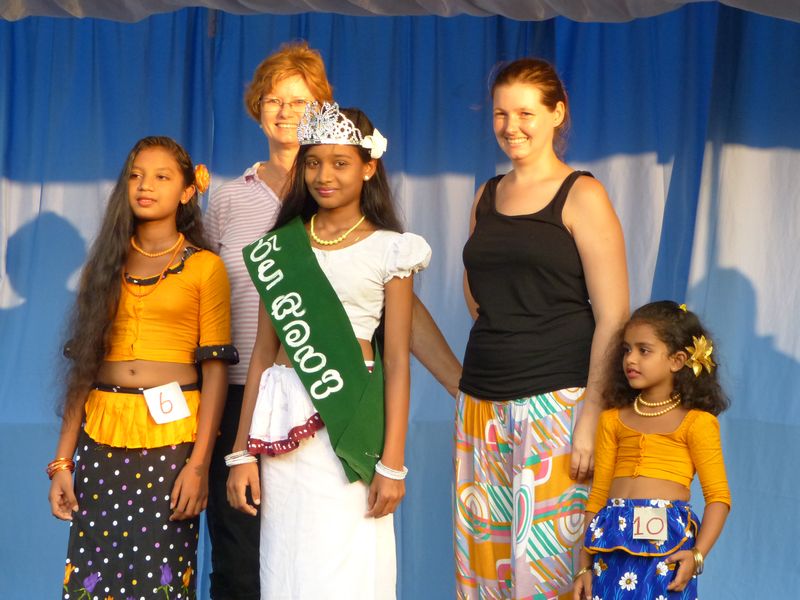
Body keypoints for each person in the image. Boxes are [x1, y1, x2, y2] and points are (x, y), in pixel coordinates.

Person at [205, 41, 461, 600]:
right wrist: (241, 450)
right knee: (281, 562)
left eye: (340, 163)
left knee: (345, 562)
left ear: (368, 168)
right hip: (275, 417)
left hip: (351, 415)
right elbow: (263, 353)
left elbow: (397, 360)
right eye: (315, 163)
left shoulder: (392, 247)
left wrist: (394, 461)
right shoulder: (278, 244)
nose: (325, 175)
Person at [458, 58, 629, 598]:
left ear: (557, 113)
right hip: (480, 403)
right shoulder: (486, 195)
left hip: (557, 405)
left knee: (549, 571)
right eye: (501, 114)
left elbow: (614, 315)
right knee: (484, 571)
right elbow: (477, 293)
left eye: (526, 113)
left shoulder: (582, 195)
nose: (512, 126)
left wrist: (590, 415)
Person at [48, 136, 236, 600]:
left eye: (161, 177)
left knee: (161, 573)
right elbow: (83, 370)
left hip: (171, 442)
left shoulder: (205, 268)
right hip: (102, 437)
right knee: (94, 576)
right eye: (135, 175)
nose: (144, 185)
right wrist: (63, 462)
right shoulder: (103, 266)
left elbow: (215, 372)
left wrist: (199, 466)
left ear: (188, 191)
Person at [573, 301, 731, 599]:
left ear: (677, 360)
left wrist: (697, 555)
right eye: (626, 350)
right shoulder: (612, 419)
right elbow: (598, 497)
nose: (630, 359)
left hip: (668, 549)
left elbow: (719, 498)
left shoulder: (697, 422)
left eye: (643, 350)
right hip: (611, 545)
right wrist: (583, 566)